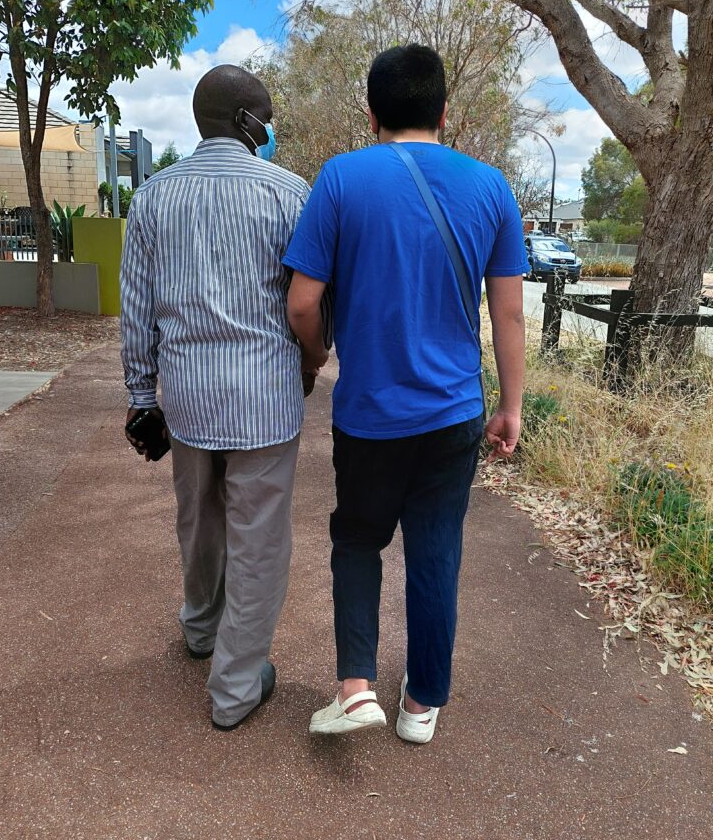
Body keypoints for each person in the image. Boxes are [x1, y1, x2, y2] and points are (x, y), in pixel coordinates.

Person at [283, 44, 526, 744]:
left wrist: (319, 350)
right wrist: (509, 406)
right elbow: (507, 313)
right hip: (454, 412)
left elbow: (303, 303)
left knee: (358, 539)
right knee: (436, 548)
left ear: (371, 113)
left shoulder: (340, 179)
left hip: (370, 413)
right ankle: (422, 704)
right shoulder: (491, 187)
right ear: (445, 111)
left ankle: (356, 688)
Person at [120, 65, 318, 731]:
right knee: (257, 540)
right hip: (266, 395)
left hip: (188, 398)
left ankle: (201, 631)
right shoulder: (291, 195)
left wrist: (140, 397)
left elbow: (137, 308)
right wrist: (312, 365)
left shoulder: (152, 197)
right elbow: (307, 306)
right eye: (266, 114)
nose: (272, 125)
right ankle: (235, 687)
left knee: (199, 522)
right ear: (244, 122)